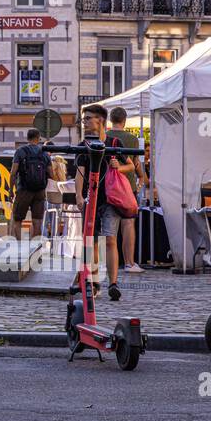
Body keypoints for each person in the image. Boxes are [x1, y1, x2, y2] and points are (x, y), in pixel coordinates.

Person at [74, 103, 133, 301]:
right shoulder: (84, 145)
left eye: (88, 118)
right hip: (91, 198)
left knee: (109, 240)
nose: (85, 122)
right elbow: (79, 173)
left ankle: (113, 284)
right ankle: (94, 282)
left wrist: (118, 166)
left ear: (101, 121)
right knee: (92, 242)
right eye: (84, 119)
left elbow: (131, 166)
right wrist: (78, 196)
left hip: (110, 198)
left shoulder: (114, 143)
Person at [106, 106, 147, 275]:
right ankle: (129, 263)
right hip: (126, 187)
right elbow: (135, 163)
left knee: (107, 228)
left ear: (110, 119)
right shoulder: (132, 139)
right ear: (124, 120)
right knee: (128, 224)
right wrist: (141, 179)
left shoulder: (104, 137)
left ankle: (104, 263)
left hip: (107, 187)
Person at [9, 129, 51, 241]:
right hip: (40, 192)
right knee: (37, 220)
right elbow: (51, 173)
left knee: (18, 219)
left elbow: (13, 173)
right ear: (38, 138)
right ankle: (35, 248)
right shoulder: (44, 153)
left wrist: (10, 190)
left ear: (27, 138)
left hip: (23, 190)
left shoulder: (20, 151)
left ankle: (20, 246)